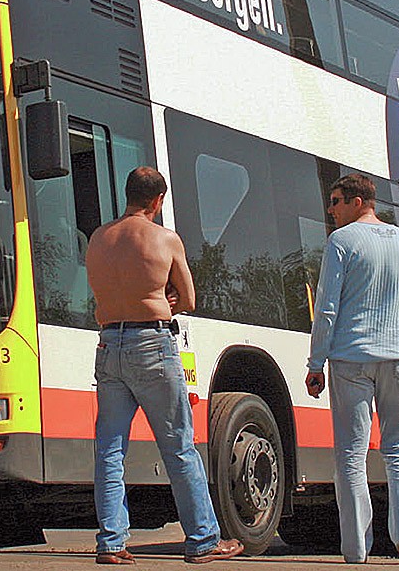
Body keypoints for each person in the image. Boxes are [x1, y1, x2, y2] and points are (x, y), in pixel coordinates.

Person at [85, 166, 244, 565]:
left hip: (109, 343)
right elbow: (188, 298)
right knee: (178, 448)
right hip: (152, 344)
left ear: (127, 195)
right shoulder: (165, 239)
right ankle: (204, 540)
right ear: (158, 201)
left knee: (109, 450)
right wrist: (160, 296)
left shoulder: (98, 239)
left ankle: (111, 543)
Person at [304, 173, 399, 563]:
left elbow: (326, 308)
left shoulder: (341, 242)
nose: (331, 209)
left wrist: (315, 362)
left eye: (336, 200)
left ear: (358, 202)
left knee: (352, 454)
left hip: (352, 357)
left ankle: (356, 547)